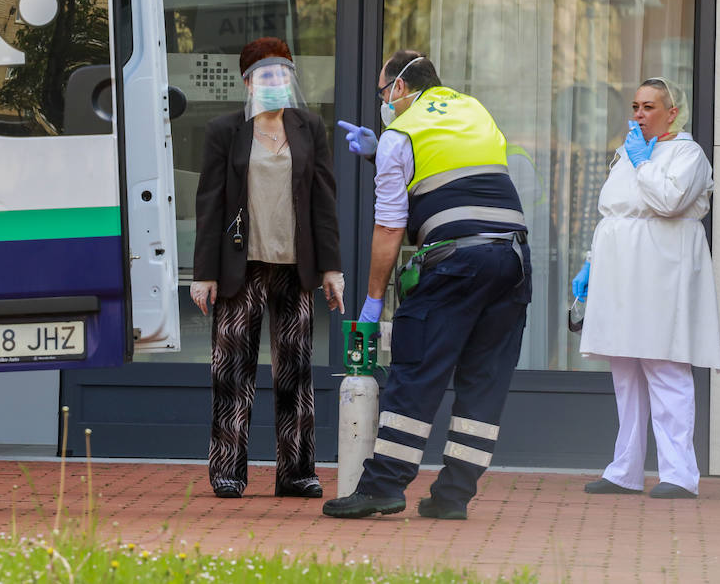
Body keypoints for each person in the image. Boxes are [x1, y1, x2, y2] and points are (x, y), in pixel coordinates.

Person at [324, 51, 529, 520]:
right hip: (512, 259)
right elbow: (455, 175)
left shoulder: (401, 133)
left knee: (416, 370)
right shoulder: (473, 110)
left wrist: (374, 300)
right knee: (485, 380)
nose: (383, 102)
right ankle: (452, 497)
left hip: (456, 262)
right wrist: (378, 154)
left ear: (398, 87)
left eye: (382, 92)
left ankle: (382, 487)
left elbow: (389, 227)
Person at [191, 37, 345, 499]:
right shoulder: (225, 130)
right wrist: (204, 273)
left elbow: (323, 201)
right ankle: (227, 471)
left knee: (295, 374)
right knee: (231, 372)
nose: (276, 81)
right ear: (248, 83)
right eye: (266, 74)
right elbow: (209, 205)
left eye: (282, 73)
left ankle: (297, 473)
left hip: (294, 268)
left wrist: (332, 268)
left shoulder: (308, 127)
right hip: (241, 266)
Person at [572, 76, 720, 499]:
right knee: (625, 368)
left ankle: (679, 473)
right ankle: (625, 470)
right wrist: (591, 263)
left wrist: (642, 162)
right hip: (620, 267)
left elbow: (669, 202)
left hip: (661, 269)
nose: (638, 115)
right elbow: (614, 213)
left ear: (672, 113)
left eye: (649, 107)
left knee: (664, 364)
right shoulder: (628, 153)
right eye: (635, 107)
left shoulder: (687, 153)